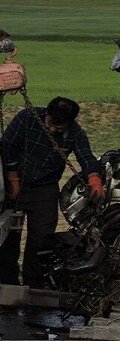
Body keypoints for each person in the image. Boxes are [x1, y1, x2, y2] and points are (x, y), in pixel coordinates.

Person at [0, 96, 105, 287]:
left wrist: (94, 178)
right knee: (8, 236)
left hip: (44, 189)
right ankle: (7, 282)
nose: (52, 129)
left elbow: (85, 156)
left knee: (41, 239)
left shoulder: (75, 133)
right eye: (50, 124)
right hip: (13, 185)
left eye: (59, 127)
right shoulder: (27, 118)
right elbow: (7, 146)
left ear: (69, 123)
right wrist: (13, 178)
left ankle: (33, 285)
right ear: (46, 114)